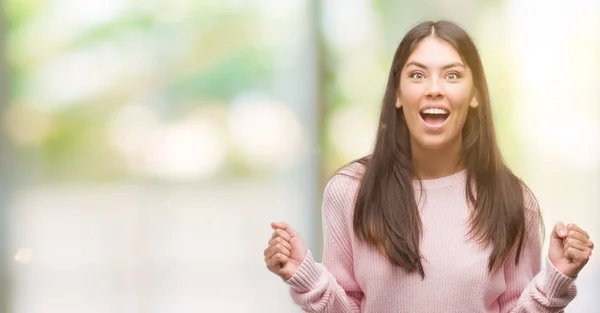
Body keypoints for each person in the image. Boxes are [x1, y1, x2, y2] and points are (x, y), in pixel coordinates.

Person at [263, 20, 594, 313]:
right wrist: (304, 274)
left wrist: (556, 277)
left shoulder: (513, 200)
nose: (434, 89)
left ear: (475, 93)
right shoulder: (349, 191)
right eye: (418, 75)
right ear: (398, 93)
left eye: (452, 75)